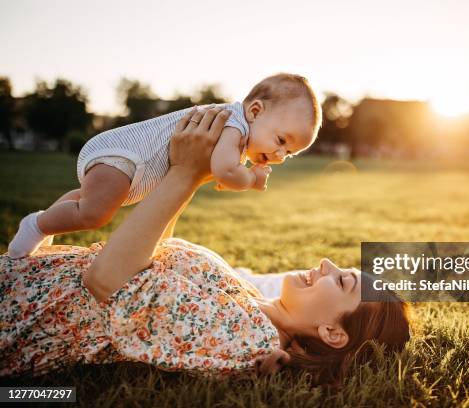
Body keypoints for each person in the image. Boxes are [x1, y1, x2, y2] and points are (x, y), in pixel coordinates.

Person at [0, 108, 410, 386]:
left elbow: (107, 282)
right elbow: (157, 254)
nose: (325, 264)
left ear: (332, 334)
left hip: (16, 317)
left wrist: (185, 172)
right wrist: (192, 174)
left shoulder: (250, 340)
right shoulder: (252, 302)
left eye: (341, 282)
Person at [8, 73, 322, 259]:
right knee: (95, 213)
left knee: (87, 200)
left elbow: (219, 174)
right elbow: (226, 172)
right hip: (125, 155)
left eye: (289, 153)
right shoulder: (233, 124)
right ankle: (36, 224)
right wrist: (251, 179)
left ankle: (49, 224)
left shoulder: (236, 135)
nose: (280, 154)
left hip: (125, 163)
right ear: (255, 110)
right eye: (281, 140)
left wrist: (237, 173)